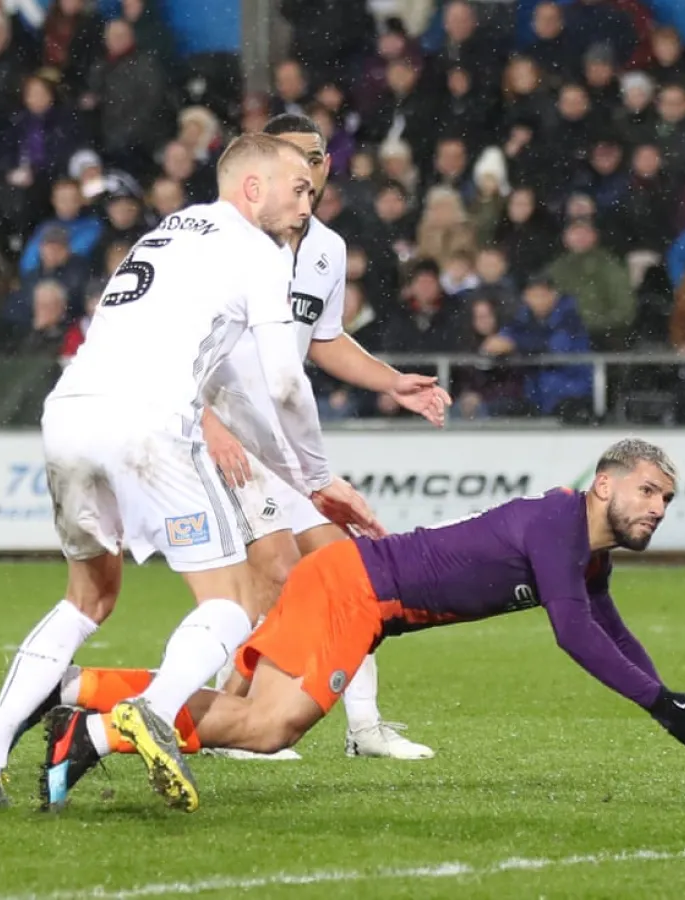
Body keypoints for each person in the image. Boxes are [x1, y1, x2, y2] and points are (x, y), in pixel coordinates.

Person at [0, 134, 378, 811]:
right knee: (233, 598)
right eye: (298, 189)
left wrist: (297, 477)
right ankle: (153, 709)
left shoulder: (166, 234)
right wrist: (319, 477)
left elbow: (228, 388)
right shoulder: (259, 252)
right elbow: (286, 384)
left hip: (69, 414)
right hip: (147, 425)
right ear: (253, 188)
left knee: (87, 599)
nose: (307, 204)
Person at [38, 439, 685, 812]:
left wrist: (670, 703)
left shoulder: (586, 552)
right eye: (647, 491)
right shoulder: (561, 524)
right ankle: (94, 732)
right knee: (268, 729)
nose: (658, 508)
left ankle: (73, 691)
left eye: (667, 499)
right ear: (603, 485)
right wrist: (660, 704)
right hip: (353, 591)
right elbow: (574, 631)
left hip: (351, 585)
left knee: (251, 717)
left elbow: (612, 632)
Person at [198, 113, 451, 763]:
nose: (305, 170)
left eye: (314, 158)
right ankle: (228, 721)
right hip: (222, 433)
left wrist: (393, 382)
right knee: (276, 575)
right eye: (291, 158)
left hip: (280, 440)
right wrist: (210, 423)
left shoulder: (327, 250)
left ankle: (361, 726)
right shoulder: (222, 242)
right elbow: (177, 345)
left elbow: (324, 341)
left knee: (346, 571)